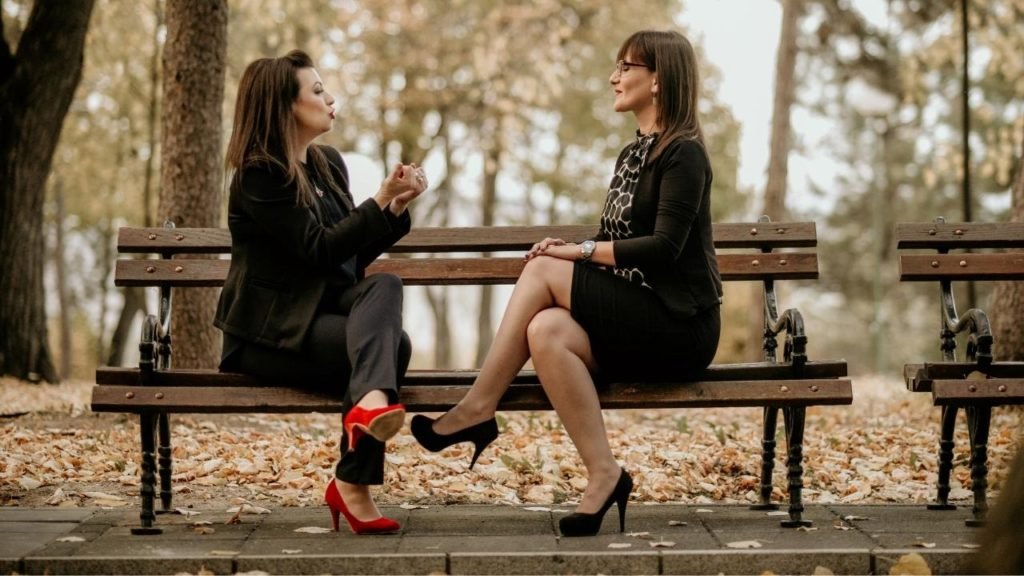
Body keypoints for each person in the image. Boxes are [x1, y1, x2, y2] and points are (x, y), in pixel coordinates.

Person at [411, 29, 722, 537]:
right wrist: (573, 247)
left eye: (626, 67)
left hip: (679, 325)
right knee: (547, 331)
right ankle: (605, 474)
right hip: (635, 317)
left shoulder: (684, 153)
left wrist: (570, 254)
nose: (613, 77)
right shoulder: (632, 155)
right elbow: (615, 239)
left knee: (542, 269)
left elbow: (664, 248)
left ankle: (478, 407)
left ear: (659, 80)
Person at [214, 49, 428, 535]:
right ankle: (353, 481)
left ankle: (367, 415)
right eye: (316, 91)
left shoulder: (327, 164)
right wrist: (377, 199)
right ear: (283, 105)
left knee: (386, 287)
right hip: (267, 335)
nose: (330, 99)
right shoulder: (259, 175)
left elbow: (346, 259)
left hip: (322, 313)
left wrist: (392, 208)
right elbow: (316, 249)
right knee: (394, 347)